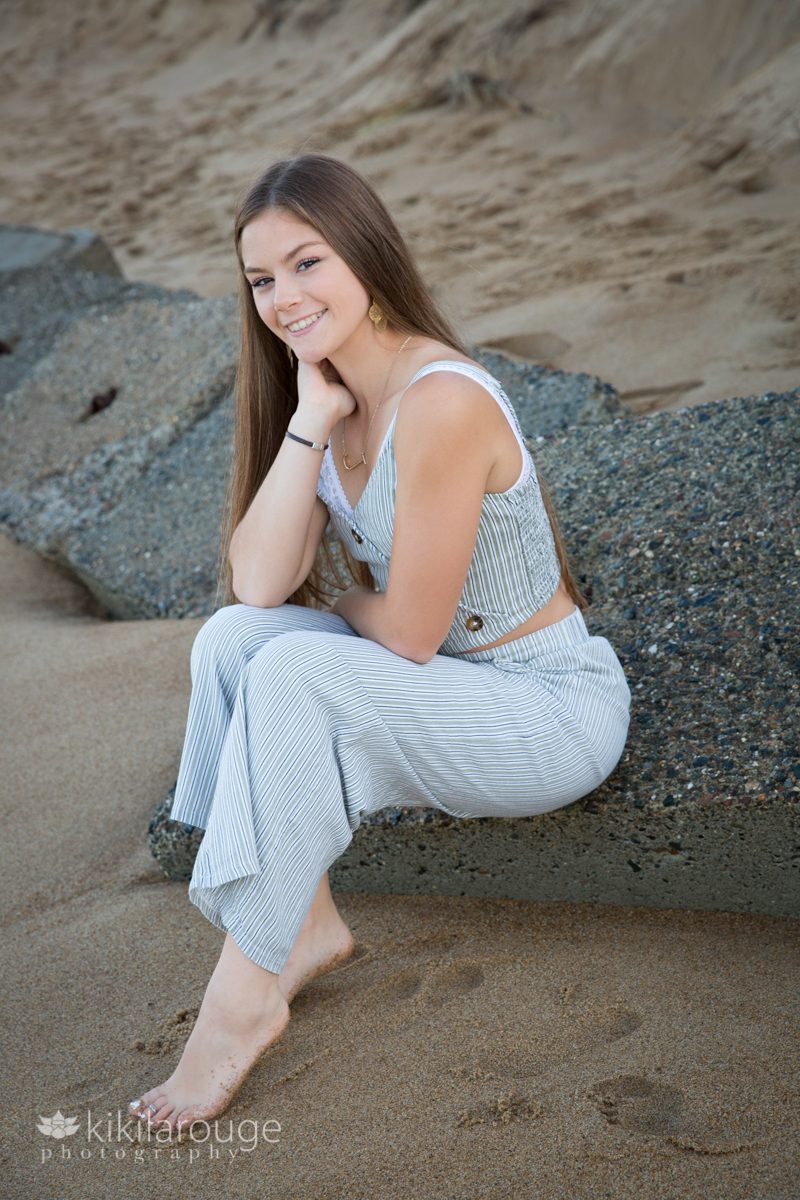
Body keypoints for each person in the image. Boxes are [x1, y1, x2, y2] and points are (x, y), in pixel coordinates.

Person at [128, 152, 631, 1135]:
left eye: (307, 263)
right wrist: (310, 421)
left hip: (549, 712)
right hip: (445, 685)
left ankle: (241, 1002)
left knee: (295, 664)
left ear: (364, 252)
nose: (284, 297)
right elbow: (258, 585)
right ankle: (302, 919)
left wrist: (343, 618)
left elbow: (404, 626)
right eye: (261, 278)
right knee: (236, 642)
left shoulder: (439, 399)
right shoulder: (326, 393)